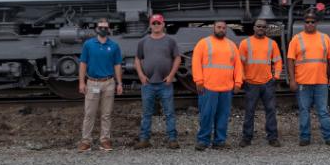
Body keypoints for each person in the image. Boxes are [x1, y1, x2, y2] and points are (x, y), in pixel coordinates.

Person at [191, 20, 244, 151]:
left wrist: (238, 82)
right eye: (219, 27)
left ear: (226, 30)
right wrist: (198, 81)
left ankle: (219, 141)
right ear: (213, 28)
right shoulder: (203, 43)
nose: (221, 29)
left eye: (223, 28)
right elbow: (196, 62)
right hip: (208, 87)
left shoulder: (231, 45)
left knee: (223, 116)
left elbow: (238, 65)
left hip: (226, 88)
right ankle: (203, 140)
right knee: (206, 115)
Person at [287, 10, 330, 147]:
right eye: (307, 22)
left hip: (321, 82)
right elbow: (290, 60)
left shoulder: (324, 38)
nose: (310, 24)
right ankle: (305, 137)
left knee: (323, 111)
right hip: (303, 82)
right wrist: (292, 80)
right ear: (304, 23)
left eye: (312, 22)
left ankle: (329, 137)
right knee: (304, 111)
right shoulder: (296, 39)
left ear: (316, 23)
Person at [134, 14, 181, 150]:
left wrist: (171, 75)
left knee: (169, 112)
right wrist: (141, 75)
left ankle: (172, 139)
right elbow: (137, 59)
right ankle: (144, 139)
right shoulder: (143, 42)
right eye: (153, 23)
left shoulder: (170, 41)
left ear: (163, 24)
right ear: (150, 25)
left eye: (158, 23)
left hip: (165, 83)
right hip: (148, 84)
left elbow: (177, 58)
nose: (156, 25)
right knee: (147, 113)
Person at [77, 18, 124, 152]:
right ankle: (86, 141)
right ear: (97, 28)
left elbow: (117, 65)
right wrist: (81, 82)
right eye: (100, 27)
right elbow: (83, 64)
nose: (103, 29)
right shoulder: (88, 44)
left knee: (106, 114)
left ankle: (105, 140)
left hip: (109, 83)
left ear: (108, 29)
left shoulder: (114, 46)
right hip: (92, 83)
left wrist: (119, 83)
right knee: (89, 113)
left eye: (105, 27)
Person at [238, 19, 283, 148]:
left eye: (263, 27)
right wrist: (243, 78)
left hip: (267, 83)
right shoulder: (245, 43)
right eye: (258, 26)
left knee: (270, 110)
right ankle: (246, 138)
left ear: (266, 29)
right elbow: (239, 63)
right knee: (249, 111)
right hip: (251, 83)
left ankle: (273, 137)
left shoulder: (272, 44)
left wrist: (276, 76)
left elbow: (278, 61)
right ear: (254, 28)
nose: (261, 28)